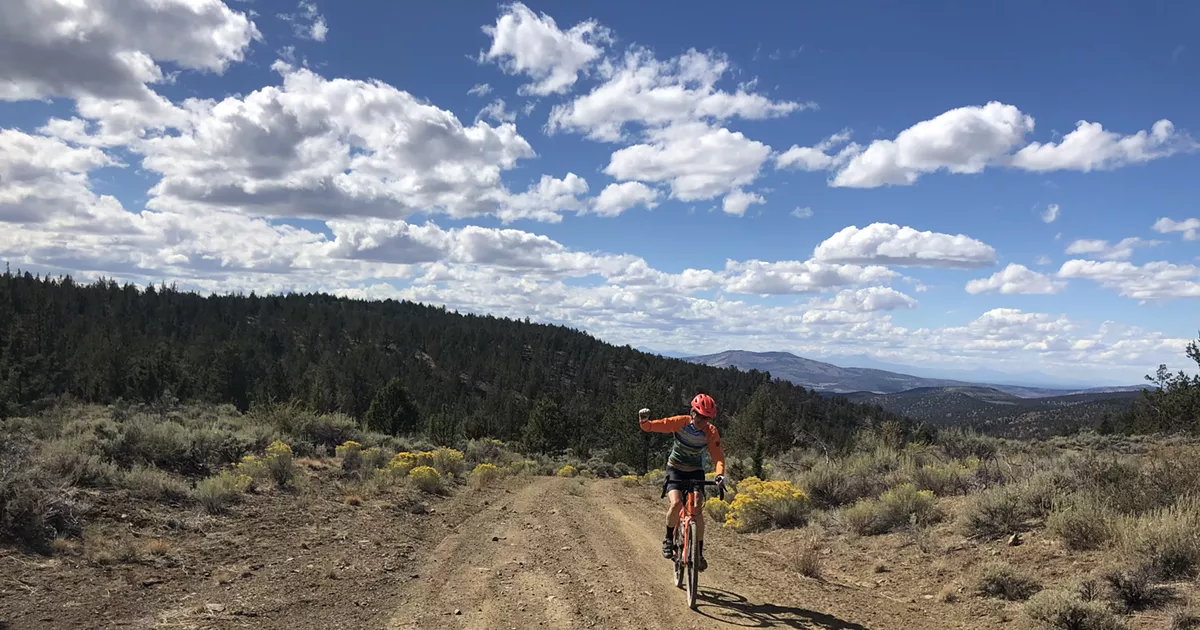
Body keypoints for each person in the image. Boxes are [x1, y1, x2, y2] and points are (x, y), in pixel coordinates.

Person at [638, 393, 725, 572]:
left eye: (706, 418)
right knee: (676, 503)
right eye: (700, 416)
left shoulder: (711, 432)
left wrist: (719, 475)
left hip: (695, 470)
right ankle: (668, 539)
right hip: (675, 468)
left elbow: (718, 458)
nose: (702, 421)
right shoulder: (680, 422)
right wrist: (644, 422)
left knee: (697, 508)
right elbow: (656, 426)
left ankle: (698, 554)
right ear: (692, 412)